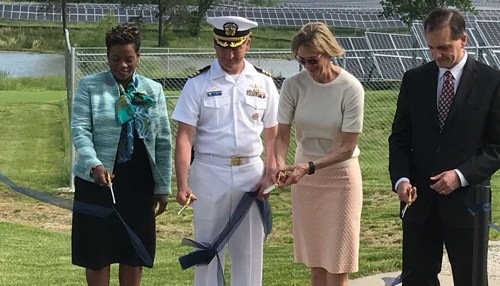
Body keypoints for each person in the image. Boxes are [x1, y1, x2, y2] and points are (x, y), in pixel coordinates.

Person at [388, 7, 500, 286]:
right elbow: (400, 139)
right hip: (418, 203)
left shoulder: (491, 82)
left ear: (464, 40)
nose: (437, 55)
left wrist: (460, 176)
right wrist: (401, 179)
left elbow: (496, 146)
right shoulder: (414, 80)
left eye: (444, 47)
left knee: (470, 279)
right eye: (431, 48)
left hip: (467, 204)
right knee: (418, 279)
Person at [172, 16, 279, 286]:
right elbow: (185, 137)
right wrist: (183, 183)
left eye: (236, 46)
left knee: (250, 252)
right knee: (207, 247)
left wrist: (271, 174)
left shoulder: (264, 83)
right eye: (223, 46)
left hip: (251, 173)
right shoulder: (198, 84)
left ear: (248, 44)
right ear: (215, 44)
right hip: (210, 172)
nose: (229, 54)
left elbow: (273, 135)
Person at [71, 23, 172, 286]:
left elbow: (162, 141)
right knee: (97, 253)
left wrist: (162, 186)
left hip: (138, 184)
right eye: (116, 59)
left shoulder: (153, 91)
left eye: (129, 59)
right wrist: (94, 165)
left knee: (133, 252)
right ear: (108, 57)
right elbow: (80, 130)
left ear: (139, 56)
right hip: (98, 182)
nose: (122, 65)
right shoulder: (89, 86)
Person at [274, 22, 364, 286]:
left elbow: (347, 147)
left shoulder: (351, 88)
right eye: (301, 60)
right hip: (306, 182)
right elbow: (281, 136)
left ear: (328, 52)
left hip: (340, 179)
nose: (307, 67)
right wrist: (281, 165)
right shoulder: (293, 85)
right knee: (315, 263)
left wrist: (309, 166)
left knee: (338, 265)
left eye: (312, 60)